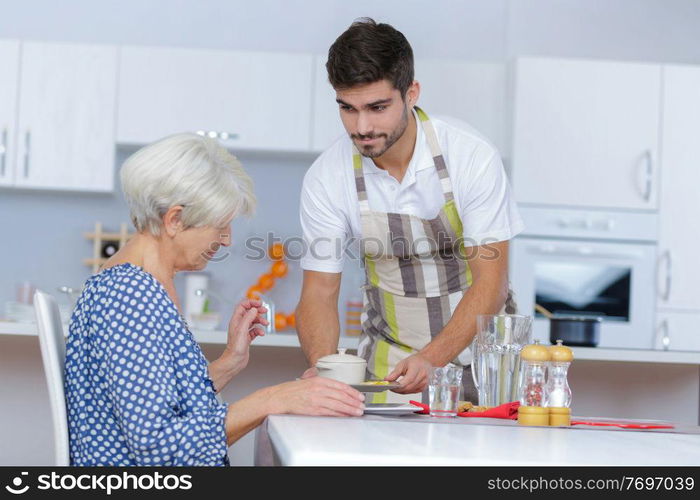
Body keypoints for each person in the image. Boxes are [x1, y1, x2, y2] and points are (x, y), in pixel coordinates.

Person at [64, 133, 365, 466]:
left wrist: (230, 361)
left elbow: (163, 404)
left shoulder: (135, 286)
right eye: (221, 226)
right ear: (174, 220)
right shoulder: (129, 297)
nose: (227, 240)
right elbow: (160, 451)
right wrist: (273, 398)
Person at [296, 18, 524, 404]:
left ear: (411, 93)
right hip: (391, 364)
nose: (362, 126)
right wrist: (324, 368)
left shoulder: (470, 156)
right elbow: (319, 291)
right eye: (348, 109)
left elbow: (492, 282)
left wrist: (432, 358)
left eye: (378, 107)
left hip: (489, 363)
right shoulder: (327, 177)